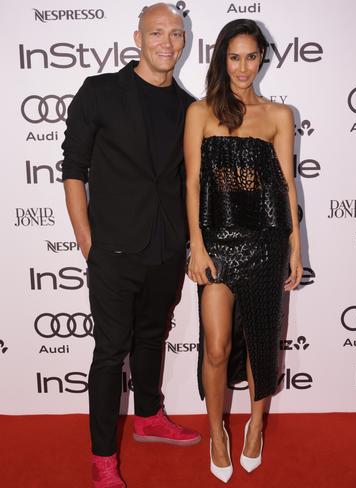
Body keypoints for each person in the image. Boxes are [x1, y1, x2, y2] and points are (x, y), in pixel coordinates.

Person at [62, 4, 200, 487]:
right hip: (113, 250)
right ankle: (103, 458)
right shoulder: (100, 92)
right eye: (157, 32)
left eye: (176, 34)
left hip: (166, 248)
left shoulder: (188, 108)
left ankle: (147, 416)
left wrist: (189, 245)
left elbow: (189, 183)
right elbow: (74, 168)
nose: (168, 42)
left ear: (184, 42)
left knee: (151, 338)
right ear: (138, 37)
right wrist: (86, 239)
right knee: (109, 351)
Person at [184, 19, 303, 482]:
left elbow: (287, 185)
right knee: (216, 346)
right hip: (216, 241)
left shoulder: (278, 115)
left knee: (260, 343)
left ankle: (254, 425)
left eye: (251, 57)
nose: (243, 67)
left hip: (265, 242)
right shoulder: (200, 112)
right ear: (221, 60)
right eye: (234, 57)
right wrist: (196, 243)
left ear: (262, 59)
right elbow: (192, 181)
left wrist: (295, 247)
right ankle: (217, 432)